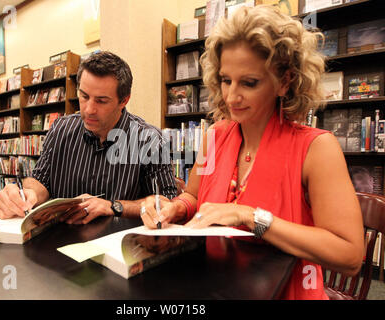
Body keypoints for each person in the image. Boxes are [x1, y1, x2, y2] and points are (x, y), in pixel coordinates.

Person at [140, 5, 364, 300]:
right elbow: (194, 197)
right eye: (225, 79)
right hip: (215, 285)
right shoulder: (214, 136)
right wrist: (172, 208)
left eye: (249, 83)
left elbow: (349, 255)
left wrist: (249, 216)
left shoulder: (317, 148)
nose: (232, 96)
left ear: (284, 81)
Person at [0, 51, 177, 224]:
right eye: (84, 96)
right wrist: (27, 194)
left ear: (124, 100)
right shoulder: (60, 129)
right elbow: (41, 181)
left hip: (118, 247)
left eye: (101, 101)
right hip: (60, 244)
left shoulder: (150, 140)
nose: (89, 109)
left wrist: (113, 206)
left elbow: (166, 204)